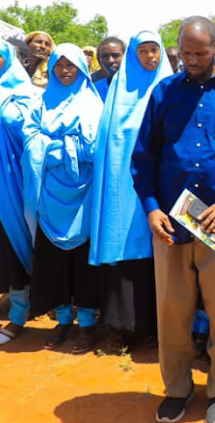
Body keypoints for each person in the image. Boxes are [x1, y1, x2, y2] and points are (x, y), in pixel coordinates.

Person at [130, 16, 215, 423]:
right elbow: (144, 157)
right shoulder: (164, 92)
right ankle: (177, 388)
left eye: (200, 52)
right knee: (173, 311)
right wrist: (152, 206)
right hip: (172, 224)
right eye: (186, 53)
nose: (191, 60)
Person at [89, 30, 173, 353]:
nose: (150, 57)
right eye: (143, 51)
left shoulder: (169, 89)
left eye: (155, 50)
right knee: (125, 257)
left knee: (159, 258)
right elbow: (107, 147)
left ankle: (156, 329)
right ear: (133, 55)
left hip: (159, 191)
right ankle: (121, 329)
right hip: (122, 194)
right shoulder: (117, 94)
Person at [22, 44, 104, 354]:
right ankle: (63, 318)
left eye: (72, 65)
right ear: (52, 68)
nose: (66, 71)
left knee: (82, 261)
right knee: (54, 261)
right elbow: (31, 141)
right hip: (50, 194)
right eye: (60, 65)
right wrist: (67, 149)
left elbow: (94, 148)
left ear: (81, 68)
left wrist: (55, 149)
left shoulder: (92, 104)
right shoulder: (41, 102)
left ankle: (86, 322)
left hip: (84, 195)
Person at [0, 40, 38, 345]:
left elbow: (30, 135)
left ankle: (19, 314)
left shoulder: (24, 95)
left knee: (14, 247)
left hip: (12, 183)